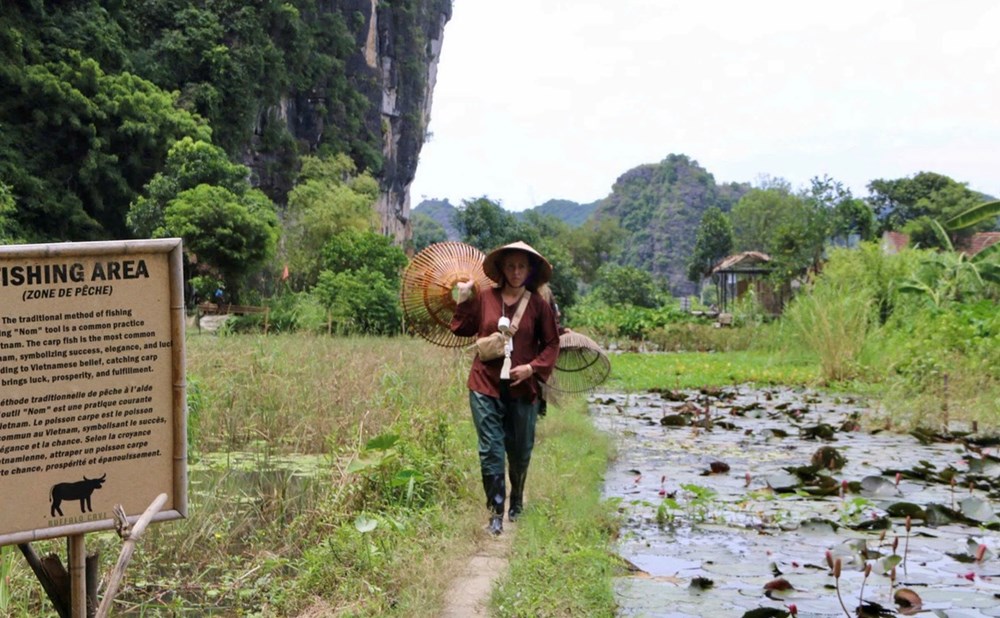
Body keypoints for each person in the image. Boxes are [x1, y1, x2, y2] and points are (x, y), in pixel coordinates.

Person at [451, 241, 560, 535]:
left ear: (529, 271)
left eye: (521, 266)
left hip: (523, 388)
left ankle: (518, 500)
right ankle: (496, 512)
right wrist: (464, 298)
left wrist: (532, 368)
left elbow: (552, 343)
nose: (515, 271)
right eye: (510, 265)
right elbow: (460, 328)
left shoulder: (538, 305)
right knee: (490, 449)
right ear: (501, 268)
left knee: (520, 450)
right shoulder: (485, 298)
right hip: (484, 384)